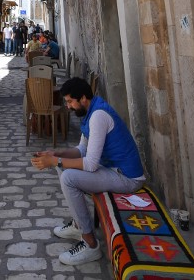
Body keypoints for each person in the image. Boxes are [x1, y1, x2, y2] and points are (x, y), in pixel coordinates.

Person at [30, 77, 145, 266]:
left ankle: (90, 244)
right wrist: (55, 155)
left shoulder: (99, 116)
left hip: (127, 177)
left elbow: (90, 164)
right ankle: (78, 225)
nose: (68, 107)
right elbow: (81, 151)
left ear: (83, 98)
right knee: (62, 166)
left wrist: (55, 160)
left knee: (68, 177)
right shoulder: (90, 113)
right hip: (111, 169)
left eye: (69, 102)